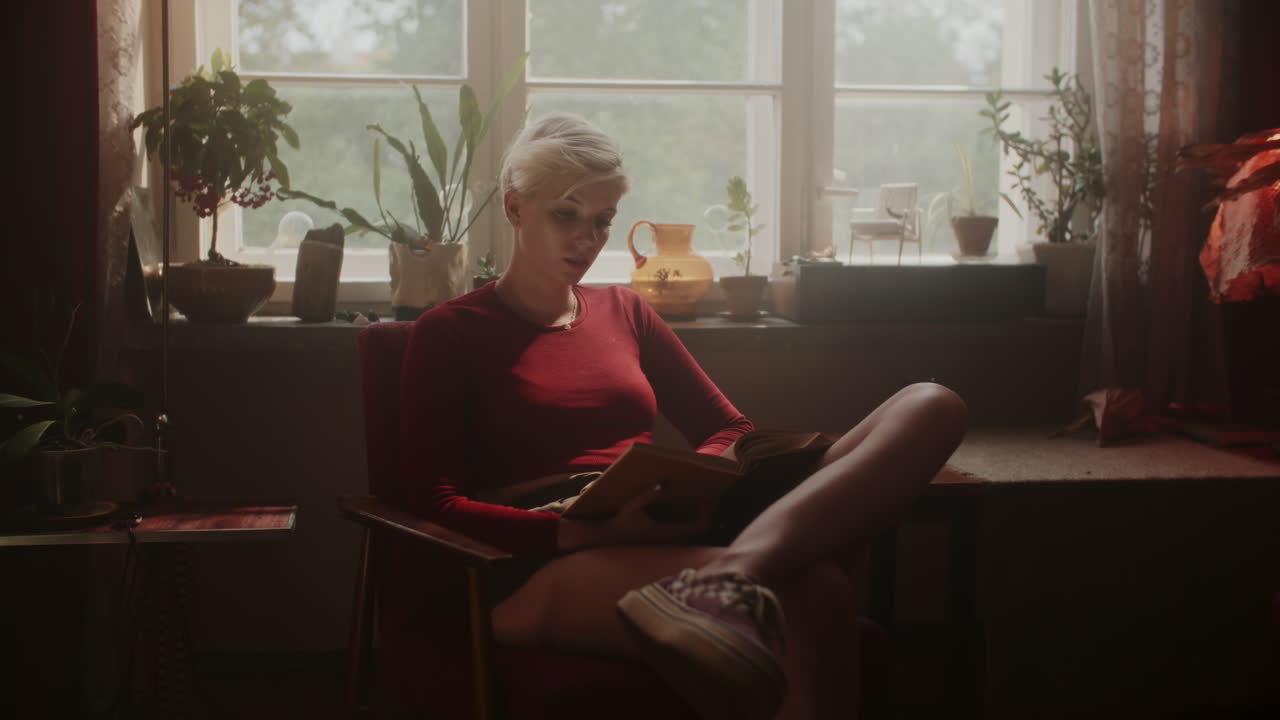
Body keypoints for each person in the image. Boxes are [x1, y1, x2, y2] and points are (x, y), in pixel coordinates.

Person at [399, 113, 968, 720]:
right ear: (515, 209)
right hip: (539, 562)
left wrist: (685, 481)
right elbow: (435, 506)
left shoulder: (625, 309)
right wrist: (586, 530)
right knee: (818, 589)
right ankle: (739, 577)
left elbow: (730, 430)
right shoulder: (450, 332)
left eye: (601, 222)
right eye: (565, 215)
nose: (586, 240)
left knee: (931, 406)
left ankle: (736, 575)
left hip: (660, 522)